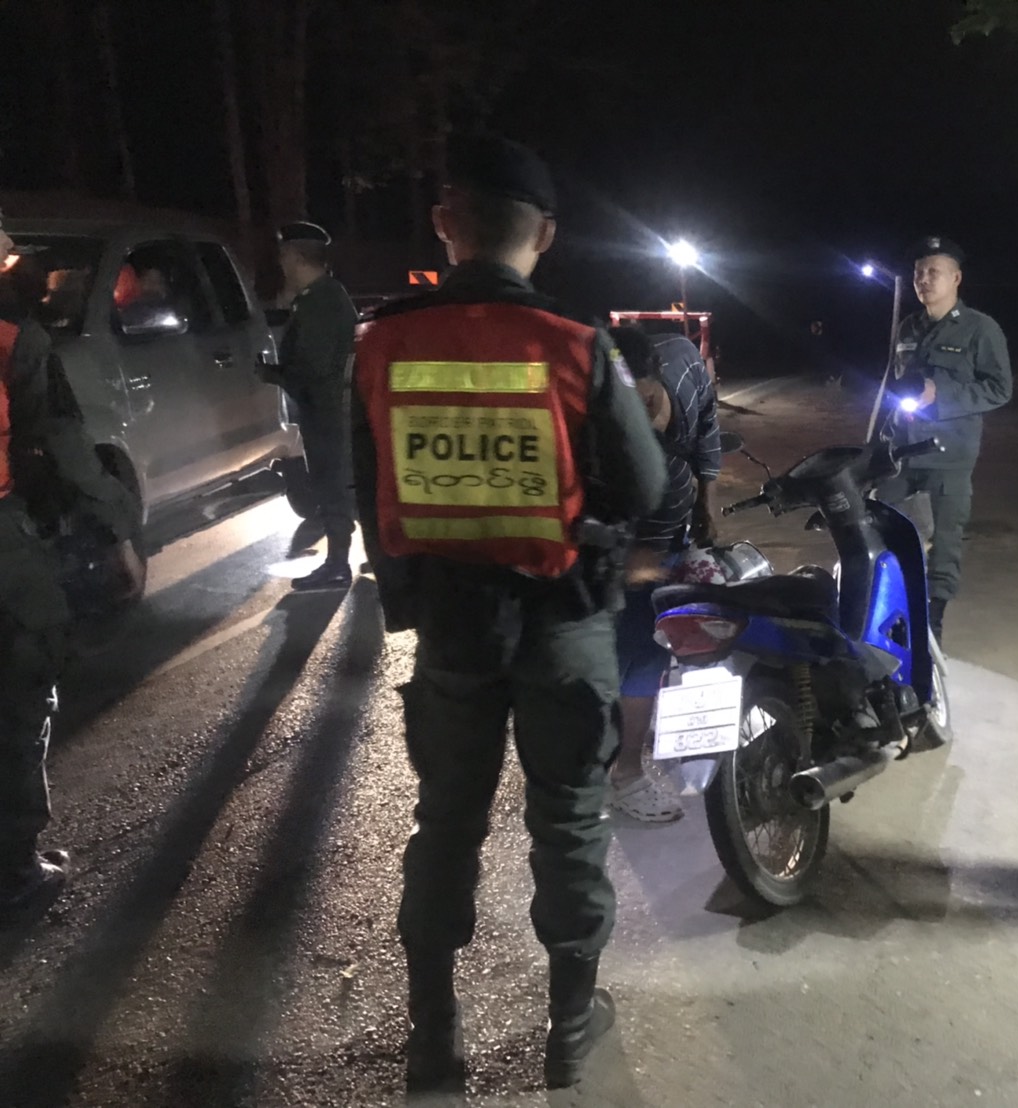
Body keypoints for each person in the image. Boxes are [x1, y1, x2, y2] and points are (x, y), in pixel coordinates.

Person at [351, 135, 665, 1093]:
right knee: (567, 821)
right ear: (548, 235)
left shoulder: (384, 341)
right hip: (564, 623)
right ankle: (568, 1028)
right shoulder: (574, 342)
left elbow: (365, 488)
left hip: (452, 625)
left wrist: (407, 595)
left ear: (445, 224)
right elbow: (646, 486)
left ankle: (433, 1035)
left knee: (446, 820)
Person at [0, 210, 143, 919]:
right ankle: (13, 868)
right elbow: (62, 445)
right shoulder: (15, 339)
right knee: (21, 689)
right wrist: (117, 530)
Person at [606, 324, 722, 823]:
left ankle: (624, 752)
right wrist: (635, 561)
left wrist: (708, 500)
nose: (643, 418)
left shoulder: (683, 361)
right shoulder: (609, 436)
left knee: (649, 650)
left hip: (668, 539)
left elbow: (708, 425)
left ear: (657, 375)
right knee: (633, 653)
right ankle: (625, 773)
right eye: (625, 411)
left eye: (647, 401)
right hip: (627, 547)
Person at [876, 236, 1012, 643]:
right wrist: (880, 442)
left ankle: (929, 634)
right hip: (901, 456)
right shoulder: (908, 327)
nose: (923, 279)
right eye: (918, 272)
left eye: (933, 272)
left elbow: (1000, 389)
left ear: (956, 278)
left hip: (948, 459)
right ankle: (894, 622)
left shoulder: (980, 329)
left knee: (942, 549)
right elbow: (894, 386)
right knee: (886, 535)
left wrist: (942, 396)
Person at [275, 220, 359, 589]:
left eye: (284, 257)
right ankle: (346, 562)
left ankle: (338, 566)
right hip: (331, 411)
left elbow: (314, 370)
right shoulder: (324, 295)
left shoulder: (319, 302)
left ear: (295, 257)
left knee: (333, 489)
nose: (281, 265)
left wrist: (274, 374)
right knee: (339, 489)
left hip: (327, 414)